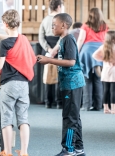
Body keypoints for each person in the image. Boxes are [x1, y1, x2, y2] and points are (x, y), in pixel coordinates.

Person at [0, 10, 36, 156]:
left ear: (5, 24)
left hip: (9, 84)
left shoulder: (4, 44)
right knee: (23, 119)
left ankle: (8, 152)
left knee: (7, 119)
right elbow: (14, 39)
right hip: (23, 84)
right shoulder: (23, 40)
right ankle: (24, 152)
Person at [37, 13, 86, 156]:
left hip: (72, 84)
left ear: (63, 25)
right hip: (68, 84)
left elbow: (71, 62)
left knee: (70, 117)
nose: (52, 27)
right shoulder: (62, 39)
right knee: (73, 116)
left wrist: (49, 61)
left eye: (54, 25)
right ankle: (78, 148)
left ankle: (68, 149)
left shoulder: (69, 39)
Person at [77, 8, 108, 111]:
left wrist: (76, 52)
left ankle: (86, 105)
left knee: (87, 78)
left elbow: (81, 39)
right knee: (99, 79)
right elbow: (106, 40)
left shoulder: (85, 25)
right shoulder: (105, 26)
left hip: (87, 52)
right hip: (100, 52)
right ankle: (99, 105)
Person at [92, 30, 115, 114]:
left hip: (105, 71)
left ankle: (106, 108)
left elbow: (94, 55)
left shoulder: (103, 46)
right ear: (113, 39)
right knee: (113, 90)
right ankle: (113, 109)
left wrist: (103, 59)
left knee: (106, 90)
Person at [38, 0, 64, 109]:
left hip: (47, 50)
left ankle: (47, 102)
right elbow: (63, 35)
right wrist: (55, 49)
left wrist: (48, 49)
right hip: (59, 49)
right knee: (60, 75)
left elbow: (41, 37)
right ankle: (59, 102)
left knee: (47, 75)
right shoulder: (61, 20)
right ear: (59, 7)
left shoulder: (44, 20)